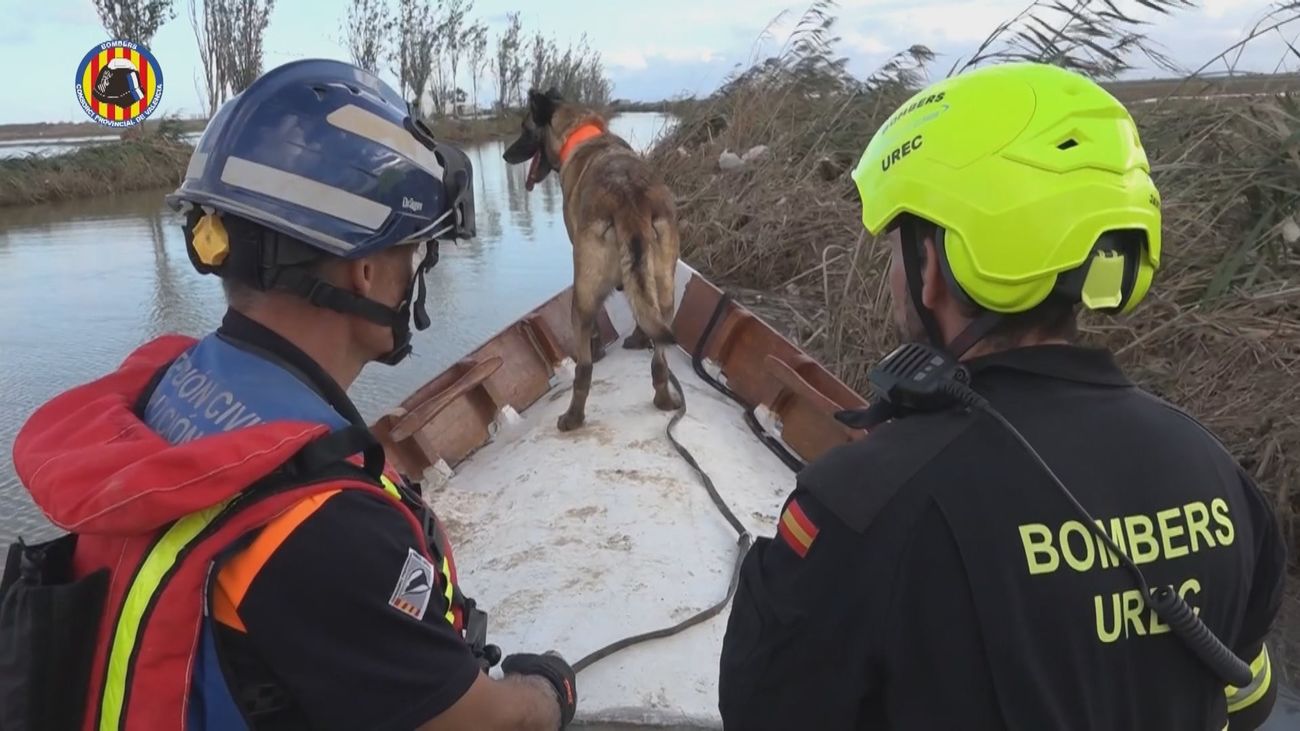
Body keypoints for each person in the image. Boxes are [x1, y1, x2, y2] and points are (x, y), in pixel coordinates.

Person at [6, 59, 575, 731]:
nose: (415, 276)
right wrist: (548, 689)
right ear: (366, 271)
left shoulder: (164, 390)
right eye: (415, 255)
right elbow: (482, 722)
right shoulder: (323, 526)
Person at [717, 61, 1285, 730]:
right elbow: (1248, 698)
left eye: (900, 246)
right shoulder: (1218, 473)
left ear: (933, 265)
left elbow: (763, 711)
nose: (895, 273)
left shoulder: (859, 506)